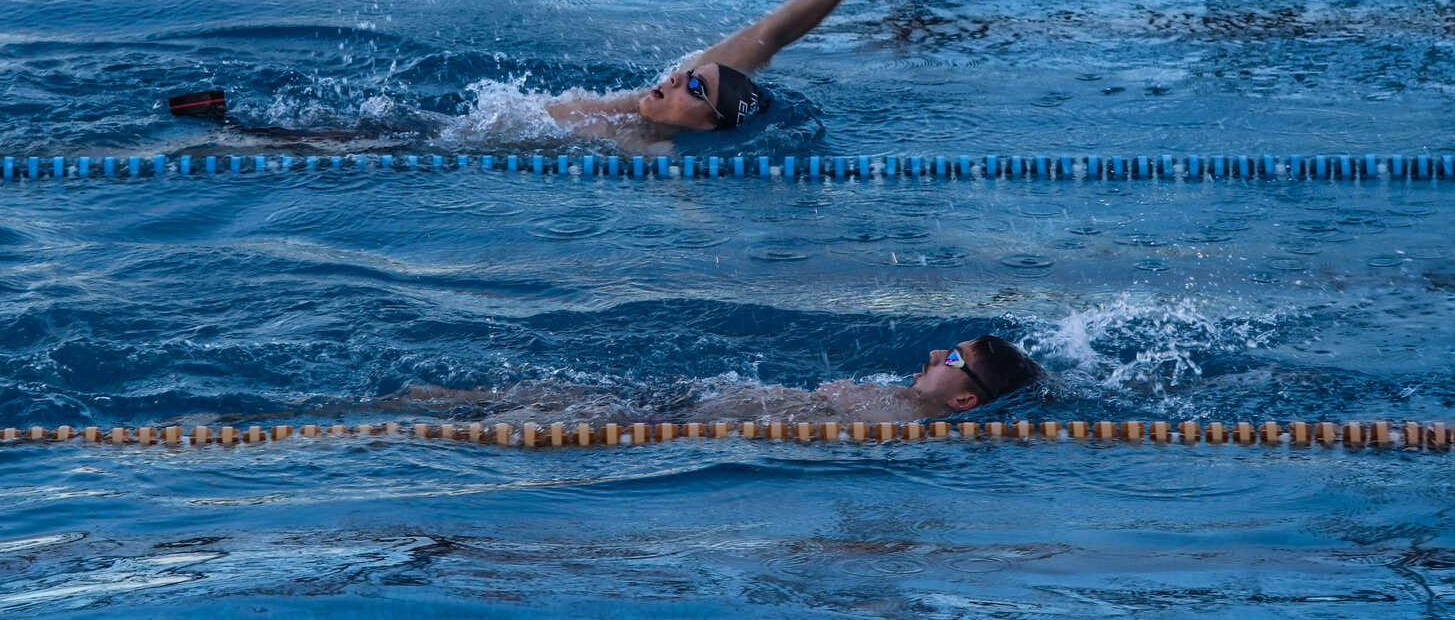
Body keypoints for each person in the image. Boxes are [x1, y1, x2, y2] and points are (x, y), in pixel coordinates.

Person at [543, 0, 953, 153]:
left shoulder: (653, 155)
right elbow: (776, 30)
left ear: (709, 126)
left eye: (695, 86)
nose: (677, 76)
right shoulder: (636, 112)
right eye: (690, 74)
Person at [401, 334, 1043, 425]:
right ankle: (427, 403)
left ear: (965, 398)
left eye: (952, 358)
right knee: (542, 398)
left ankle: (402, 418)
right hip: (687, 407)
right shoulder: (903, 403)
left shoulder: (908, 426)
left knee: (533, 420)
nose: (935, 351)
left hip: (677, 428)